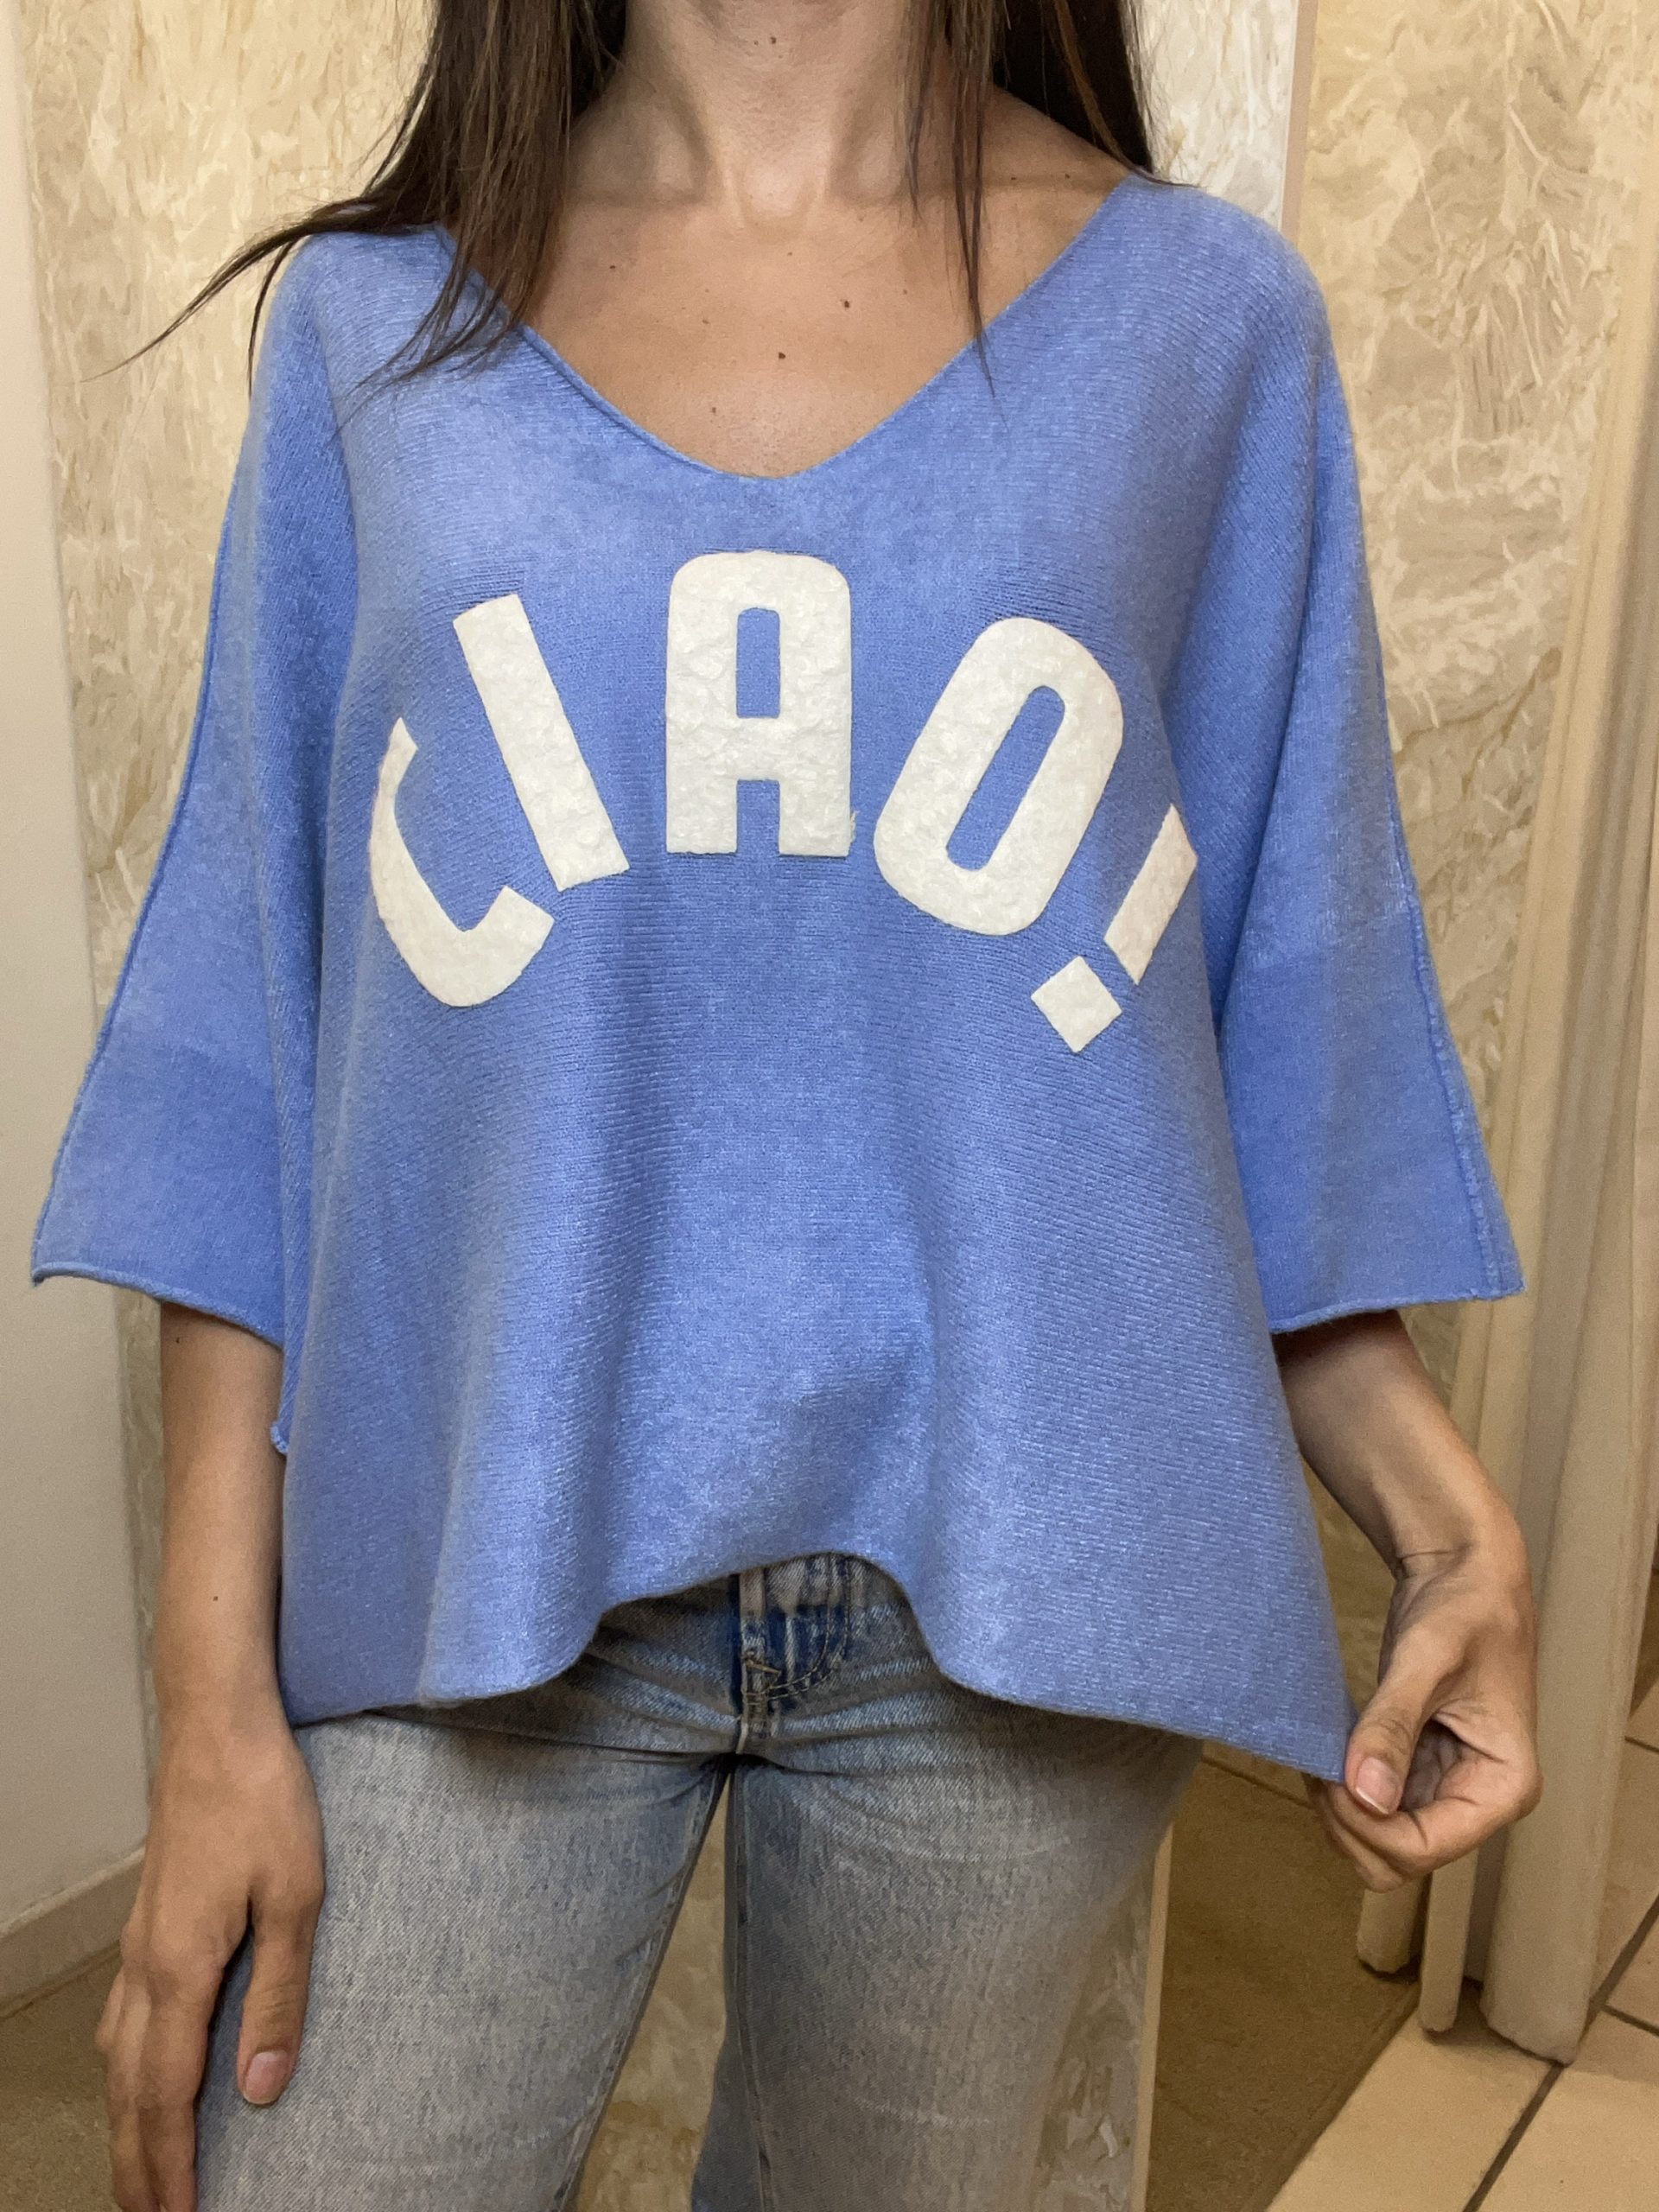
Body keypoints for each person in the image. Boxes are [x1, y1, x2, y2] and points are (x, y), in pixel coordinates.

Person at [31, 0, 1542, 2206]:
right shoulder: (370, 335)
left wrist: (1445, 1521)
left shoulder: (1212, 331)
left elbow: (1243, 1076)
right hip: (467, 1540)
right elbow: (252, 1047)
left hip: (1017, 1592)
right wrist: (209, 1699)